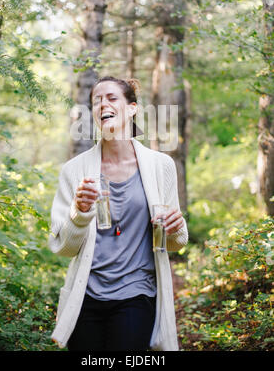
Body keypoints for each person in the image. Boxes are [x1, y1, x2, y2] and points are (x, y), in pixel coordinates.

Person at [48, 76, 188, 351]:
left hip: (137, 293)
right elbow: (63, 248)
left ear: (132, 108)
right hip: (85, 296)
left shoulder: (162, 166)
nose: (103, 104)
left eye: (111, 98)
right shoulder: (74, 171)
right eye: (97, 100)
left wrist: (175, 227)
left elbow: (175, 242)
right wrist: (80, 212)